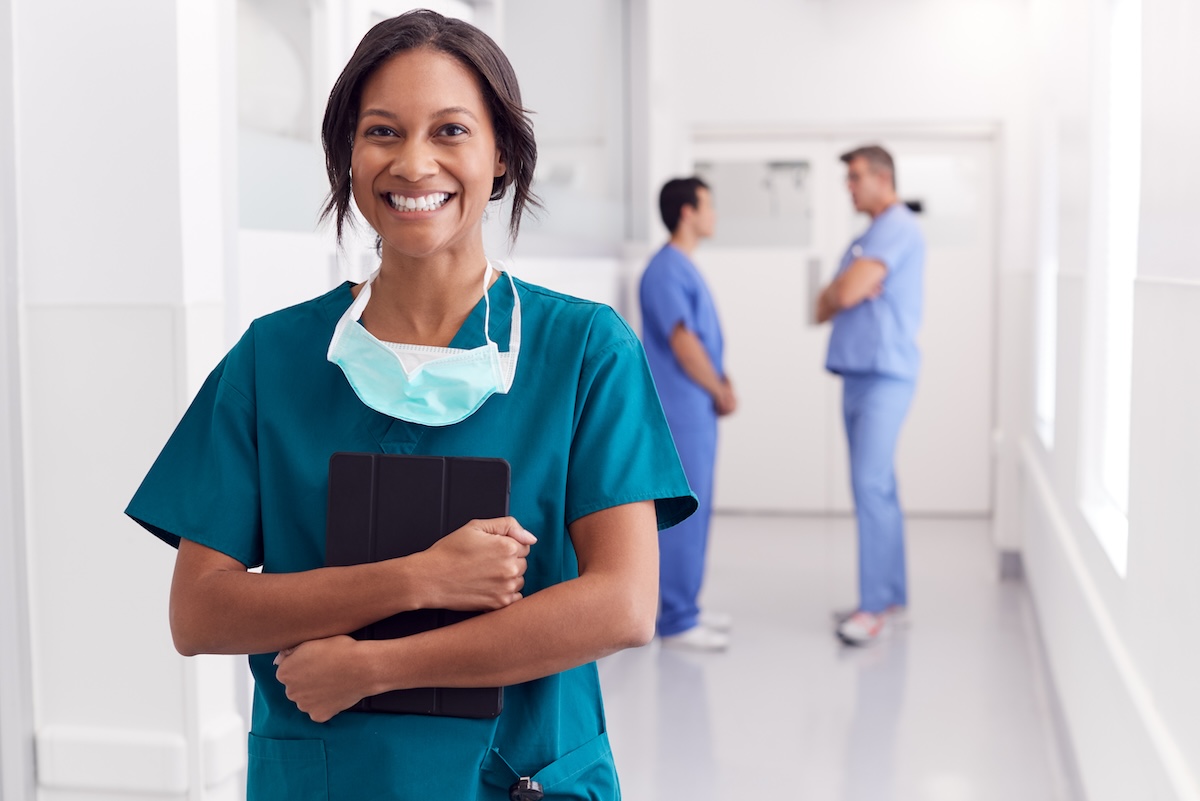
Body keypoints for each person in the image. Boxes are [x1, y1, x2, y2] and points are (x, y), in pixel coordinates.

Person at [125, 11, 695, 800]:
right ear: (349, 158)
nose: (414, 162)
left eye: (451, 130)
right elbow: (200, 612)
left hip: (519, 771)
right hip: (329, 776)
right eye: (382, 131)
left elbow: (624, 605)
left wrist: (375, 666)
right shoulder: (274, 359)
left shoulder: (585, 352)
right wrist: (418, 578)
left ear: (501, 157)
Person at [816, 144, 925, 647]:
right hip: (860, 373)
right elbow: (824, 302)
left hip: (884, 375)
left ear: (883, 178)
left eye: (856, 176)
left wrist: (845, 288)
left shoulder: (898, 227)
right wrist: (844, 288)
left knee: (869, 484)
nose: (849, 186)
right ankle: (891, 595)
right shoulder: (869, 237)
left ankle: (874, 608)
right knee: (881, 486)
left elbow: (843, 294)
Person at [639, 177, 736, 652]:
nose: (715, 214)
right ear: (687, 212)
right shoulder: (664, 271)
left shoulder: (683, 267)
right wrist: (716, 386)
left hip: (696, 405)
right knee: (685, 513)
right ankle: (676, 619)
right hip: (681, 408)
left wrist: (723, 379)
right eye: (709, 204)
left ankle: (687, 607)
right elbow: (683, 341)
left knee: (700, 511)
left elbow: (702, 338)